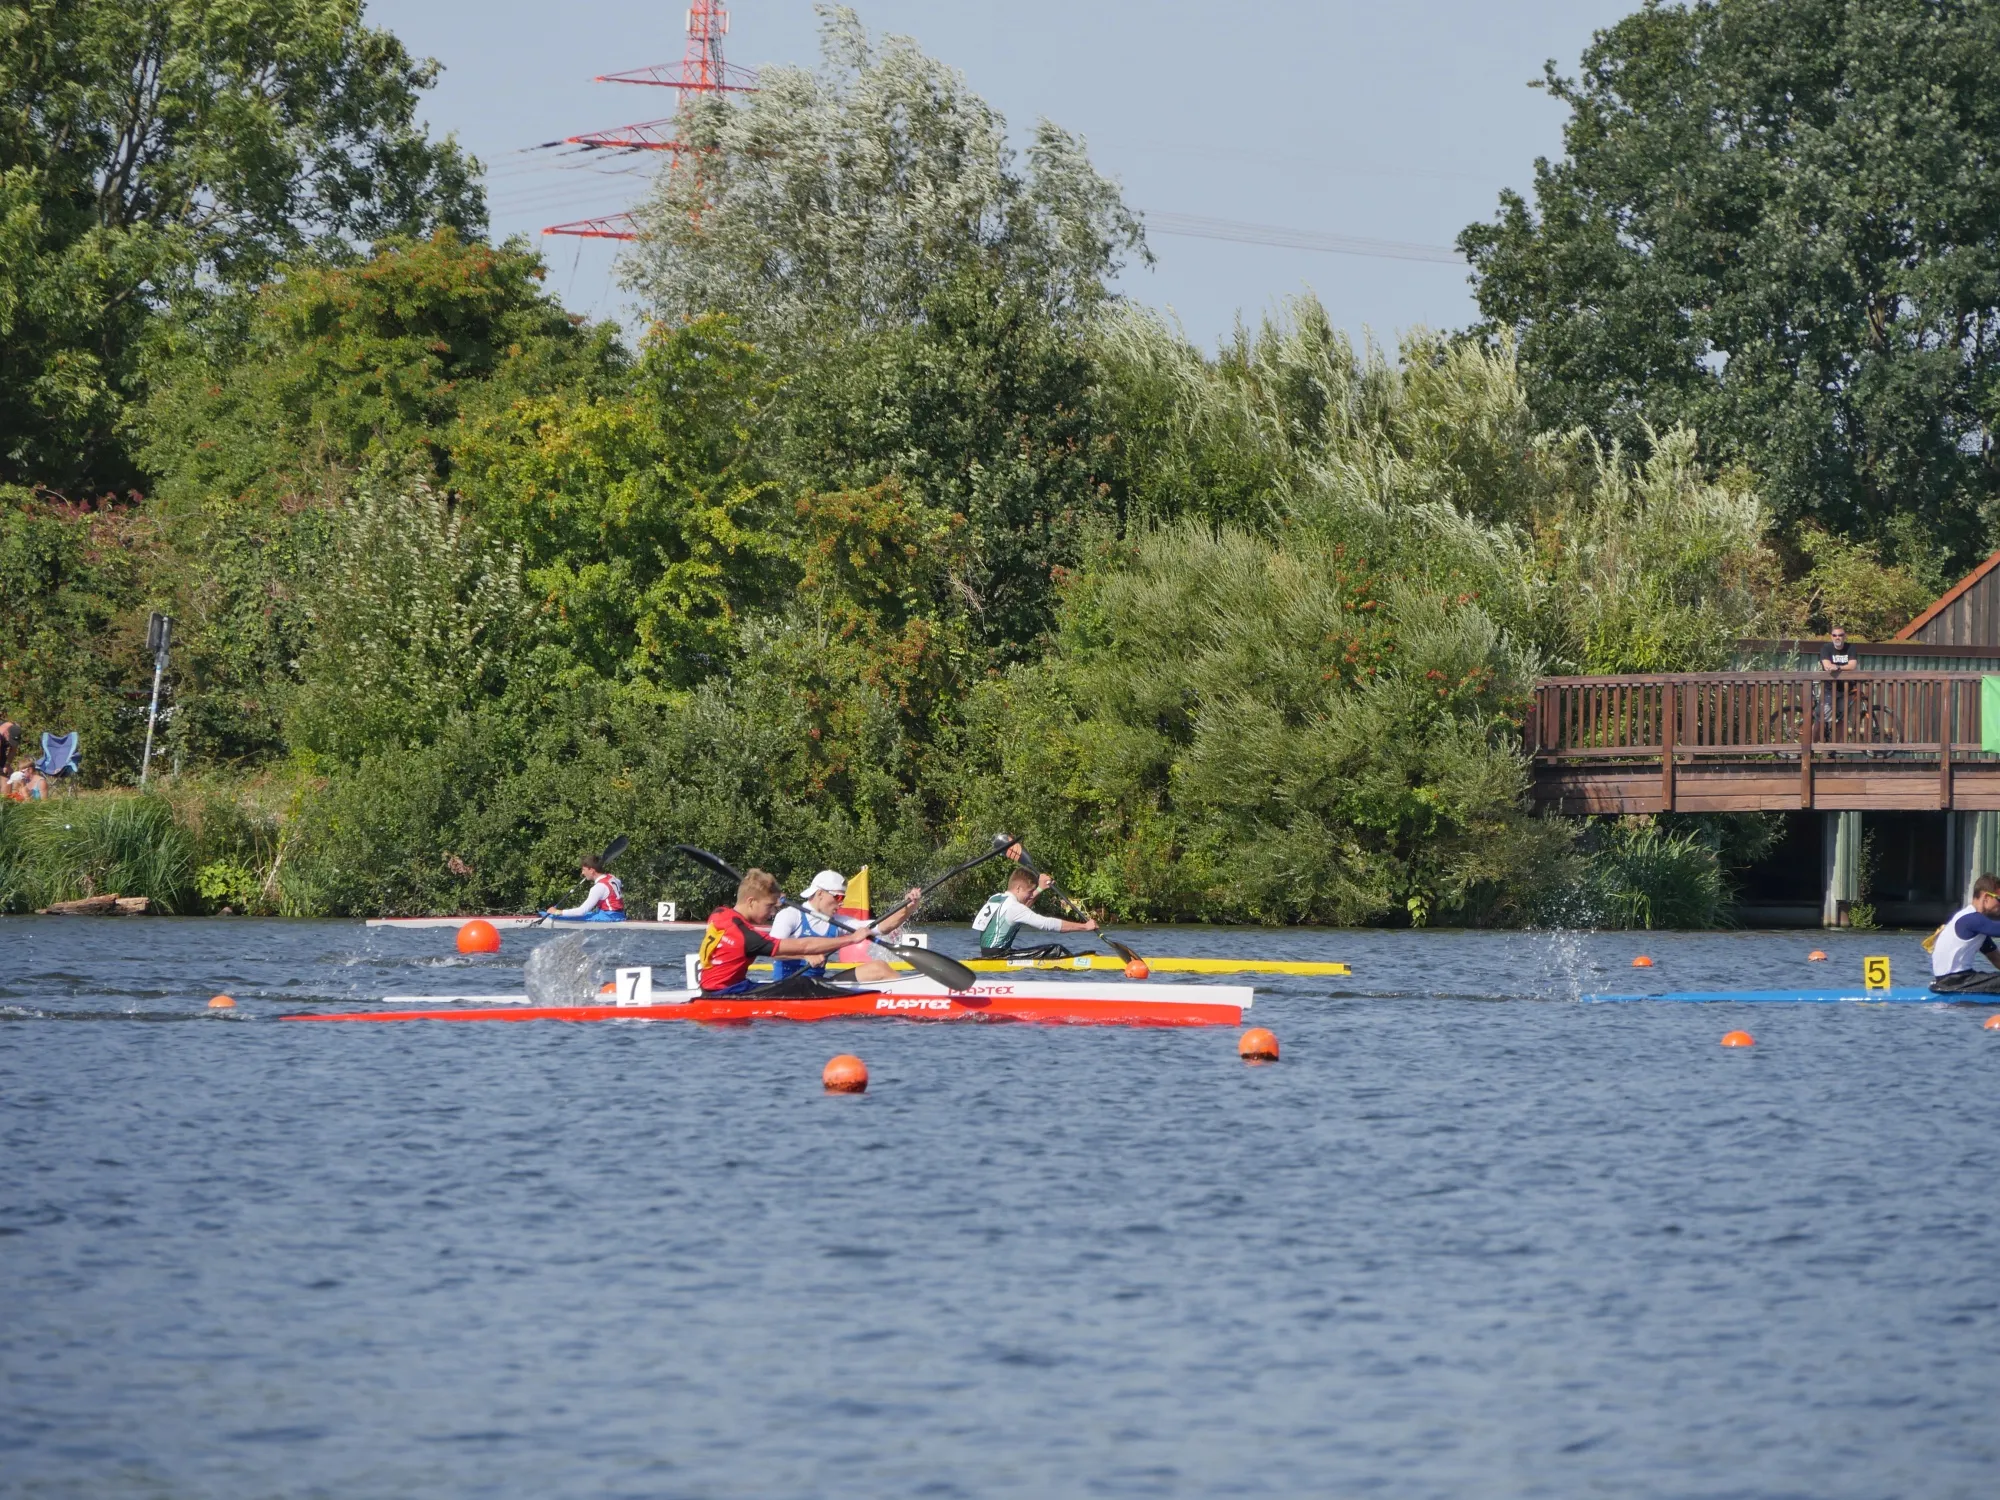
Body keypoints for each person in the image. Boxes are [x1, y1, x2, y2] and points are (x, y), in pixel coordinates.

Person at [697, 868, 878, 995]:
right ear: (751, 901)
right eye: (769, 906)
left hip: (718, 988)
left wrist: (775, 896)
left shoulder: (719, 914)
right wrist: (852, 939)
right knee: (803, 985)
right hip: (727, 994)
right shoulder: (748, 938)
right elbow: (805, 946)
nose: (772, 912)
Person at [769, 870, 924, 983]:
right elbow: (771, 950)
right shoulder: (790, 915)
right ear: (820, 893)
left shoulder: (838, 921)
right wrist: (805, 955)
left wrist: (908, 908)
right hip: (787, 986)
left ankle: (916, 995)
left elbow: (881, 927)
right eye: (838, 897)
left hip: (817, 983)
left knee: (879, 968)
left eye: (843, 897)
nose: (841, 902)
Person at [971, 866, 1097, 959]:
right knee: (1056, 950)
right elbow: (1046, 924)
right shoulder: (1015, 908)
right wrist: (1084, 927)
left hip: (987, 954)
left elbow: (1022, 908)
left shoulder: (995, 898)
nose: (1031, 895)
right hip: (998, 957)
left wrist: (1041, 888)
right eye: (1029, 892)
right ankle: (1079, 964)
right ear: (1019, 888)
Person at [1929, 873, 2000, 995]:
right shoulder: (1971, 920)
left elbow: (1995, 958)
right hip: (1954, 982)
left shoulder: (1975, 925)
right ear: (1986, 897)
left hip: (1958, 980)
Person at [543, 857, 626, 922]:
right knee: (589, 914)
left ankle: (548, 914)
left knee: (571, 916)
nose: (582, 873)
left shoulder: (598, 887)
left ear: (592, 870)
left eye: (584, 870)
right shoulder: (612, 877)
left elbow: (581, 911)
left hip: (608, 919)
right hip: (620, 915)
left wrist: (557, 912)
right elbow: (621, 886)